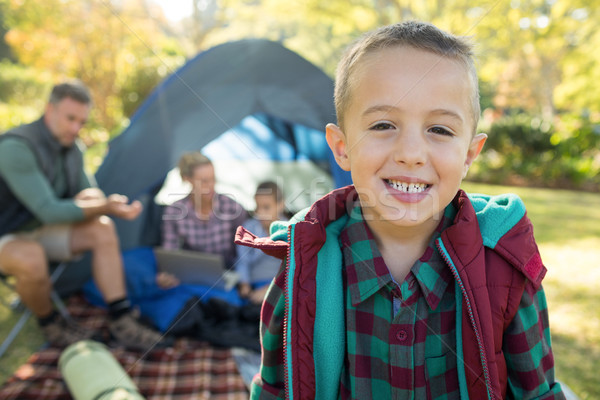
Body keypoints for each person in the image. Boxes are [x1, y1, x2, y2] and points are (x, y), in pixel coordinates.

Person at [235, 21, 565, 399]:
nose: (410, 153)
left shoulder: (505, 264)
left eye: (439, 130)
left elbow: (538, 392)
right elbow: (276, 389)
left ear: (469, 154)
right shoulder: (301, 265)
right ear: (341, 147)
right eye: (383, 124)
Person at [0, 80, 171, 351]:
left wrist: (104, 205)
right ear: (49, 110)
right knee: (31, 255)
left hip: (42, 230)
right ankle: (51, 323)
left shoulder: (73, 148)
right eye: (70, 119)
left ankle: (121, 318)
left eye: (82, 122)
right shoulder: (15, 148)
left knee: (101, 228)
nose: (76, 128)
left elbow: (90, 194)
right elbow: (50, 211)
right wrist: (102, 205)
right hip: (7, 235)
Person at [160, 152, 248, 289]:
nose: (211, 186)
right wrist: (167, 274)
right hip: (191, 277)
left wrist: (244, 281)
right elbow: (170, 253)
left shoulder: (232, 208)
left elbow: (245, 250)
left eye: (213, 179)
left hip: (228, 276)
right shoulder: (174, 211)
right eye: (204, 181)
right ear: (187, 179)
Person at [235, 181, 286, 304]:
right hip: (252, 286)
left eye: (266, 207)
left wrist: (270, 289)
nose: (261, 213)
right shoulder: (249, 227)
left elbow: (292, 270)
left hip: (277, 287)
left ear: (280, 205)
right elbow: (243, 261)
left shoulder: (289, 230)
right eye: (258, 207)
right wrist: (244, 284)